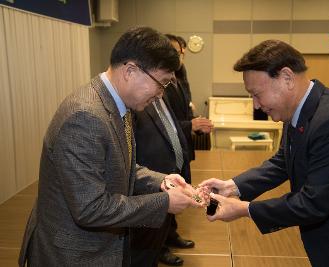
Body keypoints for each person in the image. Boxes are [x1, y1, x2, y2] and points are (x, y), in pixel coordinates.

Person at [200, 40, 329, 267]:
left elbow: (313, 203)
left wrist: (245, 209)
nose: (255, 105)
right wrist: (233, 186)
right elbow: (283, 162)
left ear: (286, 78)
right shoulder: (297, 111)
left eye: (257, 94)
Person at [18, 27, 202, 267]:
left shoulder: (118, 105)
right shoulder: (85, 117)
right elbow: (90, 208)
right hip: (72, 254)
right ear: (130, 71)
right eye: (162, 83)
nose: (160, 95)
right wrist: (164, 202)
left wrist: (160, 181)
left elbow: (120, 165)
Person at [130, 95, 192, 266]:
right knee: (145, 248)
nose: (171, 78)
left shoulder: (162, 95)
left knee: (156, 239)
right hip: (147, 185)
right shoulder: (136, 100)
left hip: (166, 177)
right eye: (165, 76)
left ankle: (164, 244)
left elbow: (172, 130)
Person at [164, 34, 213, 161]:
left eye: (180, 54)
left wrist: (198, 126)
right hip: (168, 155)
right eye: (174, 53)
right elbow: (161, 126)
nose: (179, 57)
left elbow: (185, 113)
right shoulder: (157, 86)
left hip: (184, 150)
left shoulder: (178, 80)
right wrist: (190, 125)